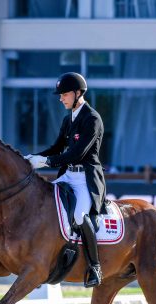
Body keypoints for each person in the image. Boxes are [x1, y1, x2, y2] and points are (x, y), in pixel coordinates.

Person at [25, 72, 107, 288]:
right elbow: (57, 148)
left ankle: (95, 266)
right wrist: (32, 159)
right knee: (45, 207)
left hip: (84, 179)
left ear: (78, 93)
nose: (61, 98)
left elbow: (77, 154)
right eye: (60, 95)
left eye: (65, 94)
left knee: (79, 216)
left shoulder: (92, 119)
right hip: (67, 175)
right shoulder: (67, 119)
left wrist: (45, 163)